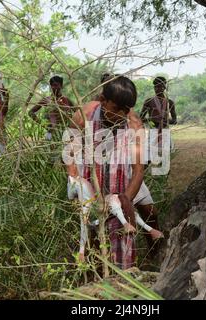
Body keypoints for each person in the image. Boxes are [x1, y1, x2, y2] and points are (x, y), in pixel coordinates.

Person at [65, 75, 145, 270]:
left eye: (126, 110)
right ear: (103, 100)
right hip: (90, 189)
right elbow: (70, 152)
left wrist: (123, 201)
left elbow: (138, 170)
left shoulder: (134, 124)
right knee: (91, 243)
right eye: (116, 109)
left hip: (120, 188)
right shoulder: (84, 115)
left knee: (121, 245)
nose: (121, 115)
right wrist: (77, 187)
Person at [29, 75, 74, 140]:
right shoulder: (47, 100)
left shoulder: (67, 100)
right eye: (52, 85)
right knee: (52, 149)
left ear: (61, 86)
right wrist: (44, 124)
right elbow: (30, 112)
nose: (53, 87)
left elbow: (78, 112)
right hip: (52, 133)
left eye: (56, 85)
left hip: (67, 133)